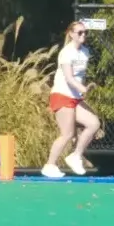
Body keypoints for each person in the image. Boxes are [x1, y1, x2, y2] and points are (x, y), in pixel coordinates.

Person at [43, 21, 100, 179]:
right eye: (80, 32)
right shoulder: (66, 53)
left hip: (75, 97)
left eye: (85, 32)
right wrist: (83, 89)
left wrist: (83, 90)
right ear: (71, 34)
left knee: (94, 123)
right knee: (67, 134)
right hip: (62, 95)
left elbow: (80, 76)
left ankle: (76, 156)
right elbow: (68, 78)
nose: (83, 35)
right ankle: (49, 165)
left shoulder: (85, 52)